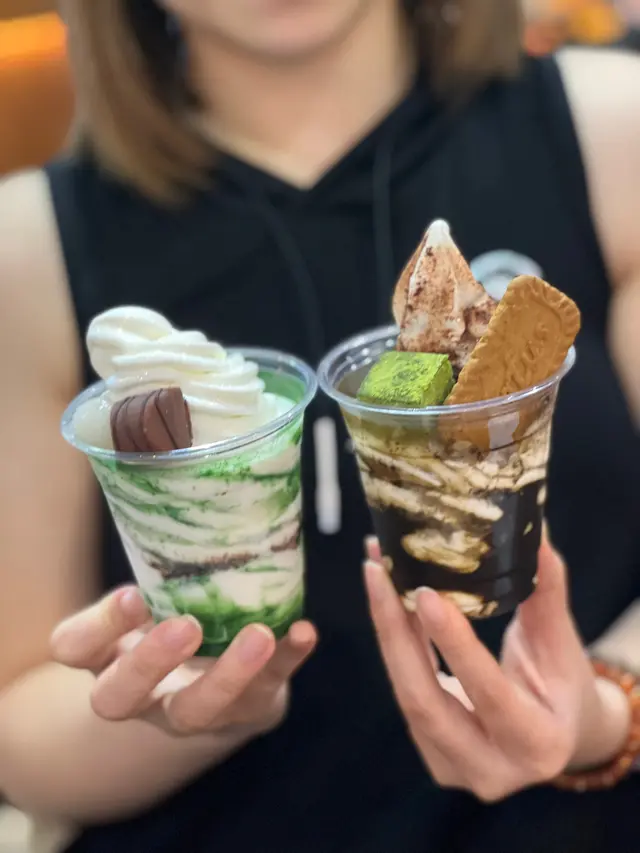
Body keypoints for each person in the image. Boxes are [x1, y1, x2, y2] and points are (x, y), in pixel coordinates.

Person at [0, 1, 639, 851]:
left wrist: (603, 706)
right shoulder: (25, 246)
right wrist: (198, 708)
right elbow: (18, 727)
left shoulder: (615, 129)